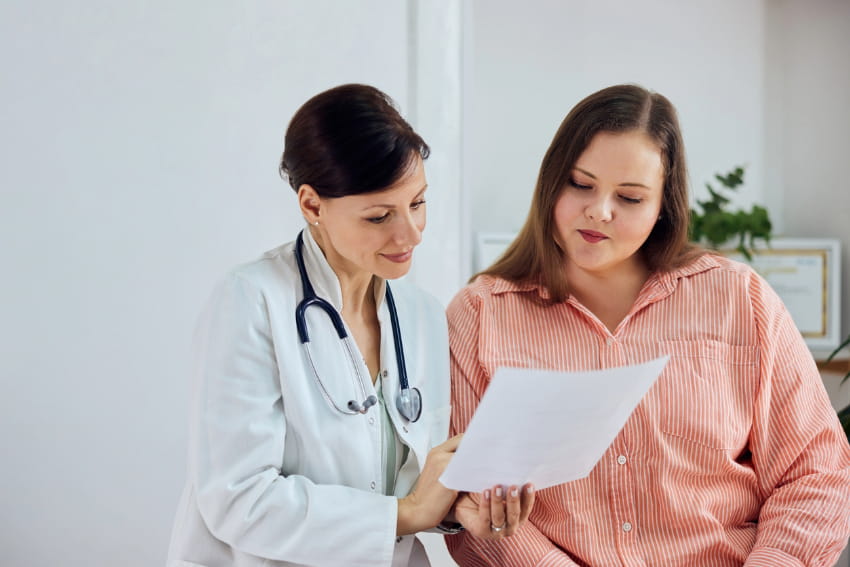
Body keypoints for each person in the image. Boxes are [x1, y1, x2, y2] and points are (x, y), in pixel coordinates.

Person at [445, 84, 850, 566]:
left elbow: (815, 472)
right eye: (581, 184)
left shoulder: (739, 299)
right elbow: (467, 499)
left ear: (663, 207)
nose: (600, 210)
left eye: (631, 197)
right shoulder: (480, 315)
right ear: (551, 181)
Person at [167, 84, 534, 567]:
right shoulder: (251, 302)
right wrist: (404, 514)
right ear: (312, 205)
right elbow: (239, 500)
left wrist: (456, 510)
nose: (410, 234)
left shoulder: (421, 315)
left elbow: (409, 482)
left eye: (418, 203)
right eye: (380, 216)